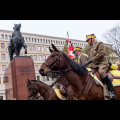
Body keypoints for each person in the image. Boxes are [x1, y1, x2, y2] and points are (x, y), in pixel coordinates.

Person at [84, 34, 117, 100]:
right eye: (87, 41)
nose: (87, 42)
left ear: (92, 39)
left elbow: (101, 54)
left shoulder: (99, 44)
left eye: (88, 40)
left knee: (101, 72)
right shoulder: (91, 49)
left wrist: (90, 60)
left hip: (102, 63)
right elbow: (93, 59)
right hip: (95, 65)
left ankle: (112, 92)